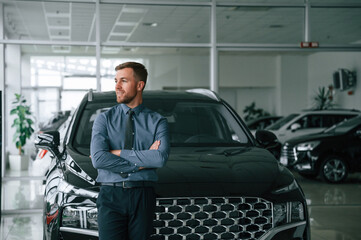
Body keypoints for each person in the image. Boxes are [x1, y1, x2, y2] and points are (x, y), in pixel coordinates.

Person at [90, 62, 170, 240]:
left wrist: (117, 152)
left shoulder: (158, 121)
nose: (117, 86)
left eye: (123, 81)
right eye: (116, 81)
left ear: (140, 85)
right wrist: (140, 165)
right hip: (111, 195)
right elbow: (98, 159)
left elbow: (159, 158)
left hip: (143, 196)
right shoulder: (103, 119)